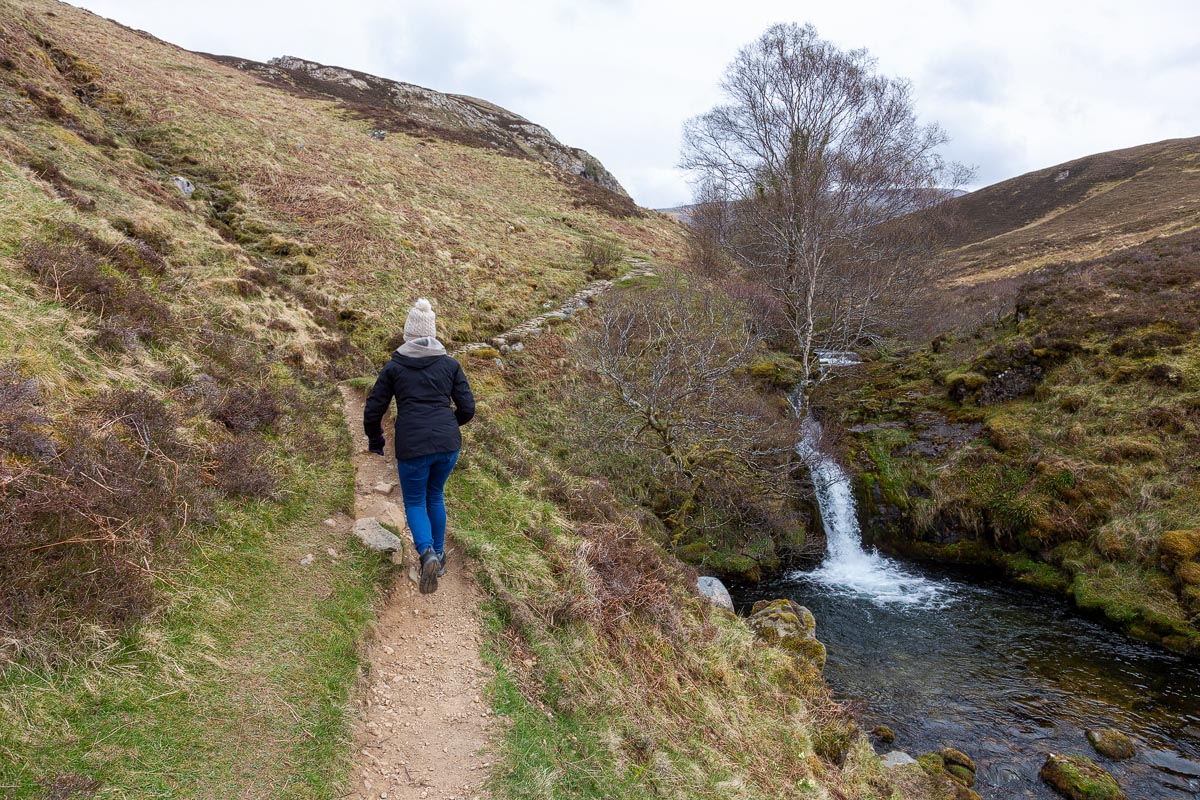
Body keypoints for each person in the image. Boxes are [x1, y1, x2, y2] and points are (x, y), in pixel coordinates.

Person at [364, 298, 475, 594]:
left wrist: (376, 439)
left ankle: (425, 552)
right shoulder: (450, 365)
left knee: (414, 501)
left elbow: (374, 408)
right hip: (448, 444)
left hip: (412, 445)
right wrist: (448, 425)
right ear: (433, 334)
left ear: (407, 335)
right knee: (435, 496)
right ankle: (438, 558)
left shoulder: (394, 367)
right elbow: (467, 408)